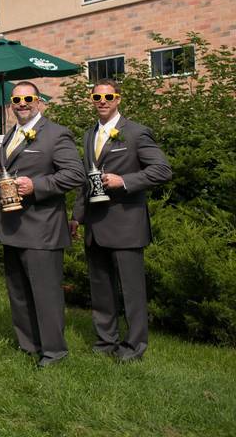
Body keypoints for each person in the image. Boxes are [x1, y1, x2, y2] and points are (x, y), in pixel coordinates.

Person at [70, 78, 171, 362]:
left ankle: (134, 347)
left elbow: (162, 170)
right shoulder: (89, 134)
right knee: (101, 288)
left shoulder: (136, 133)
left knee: (132, 292)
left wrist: (124, 181)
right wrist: (77, 216)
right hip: (95, 224)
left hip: (126, 225)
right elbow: (85, 180)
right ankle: (106, 341)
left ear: (118, 99)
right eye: (97, 97)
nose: (102, 101)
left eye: (108, 96)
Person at [0, 81, 85, 368]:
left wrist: (38, 185)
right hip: (12, 227)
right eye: (16, 99)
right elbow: (1, 180)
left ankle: (54, 352)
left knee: (45, 294)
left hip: (42, 228)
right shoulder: (10, 136)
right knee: (18, 292)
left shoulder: (57, 134)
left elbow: (75, 174)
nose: (22, 104)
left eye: (27, 98)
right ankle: (28, 345)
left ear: (39, 101)